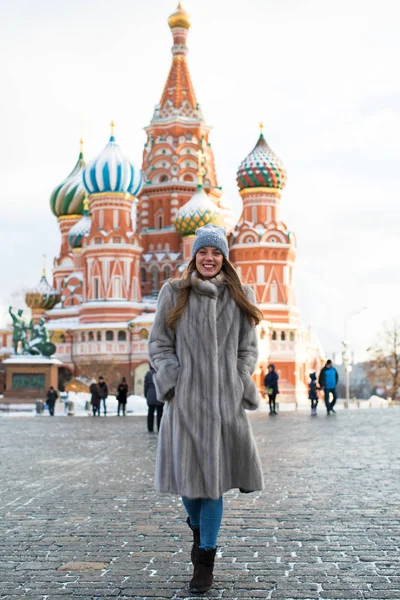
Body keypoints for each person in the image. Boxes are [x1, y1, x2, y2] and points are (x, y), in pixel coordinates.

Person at [149, 224, 264, 594]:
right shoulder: (174, 293)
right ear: (194, 256)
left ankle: (205, 561)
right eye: (203, 252)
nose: (209, 258)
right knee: (189, 488)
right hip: (184, 405)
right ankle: (198, 531)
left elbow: (248, 348)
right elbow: (159, 344)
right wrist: (173, 379)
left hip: (224, 407)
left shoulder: (240, 295)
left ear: (224, 258)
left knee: (212, 488)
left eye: (215, 253)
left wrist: (238, 378)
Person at [144, 365, 163, 432]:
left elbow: (146, 386)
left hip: (150, 395)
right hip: (159, 394)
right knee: (160, 412)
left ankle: (150, 428)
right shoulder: (160, 373)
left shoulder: (148, 374)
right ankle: (159, 427)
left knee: (150, 412)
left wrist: (146, 395)